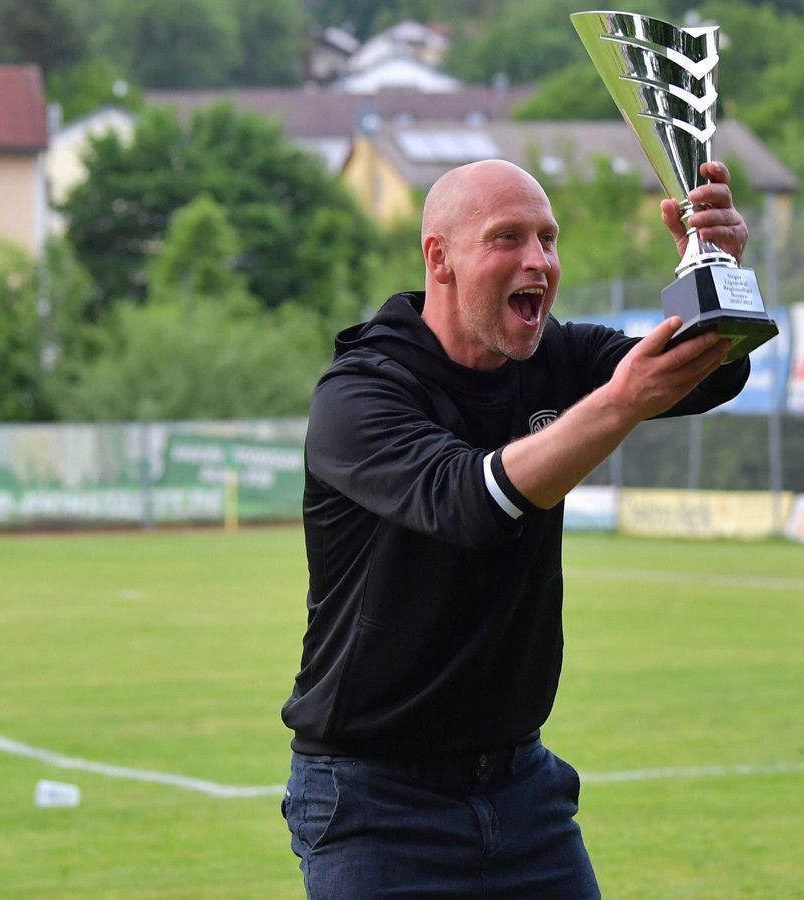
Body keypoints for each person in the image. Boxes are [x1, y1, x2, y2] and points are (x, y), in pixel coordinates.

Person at [281, 158, 753, 897]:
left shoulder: (555, 357)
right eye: (507, 238)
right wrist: (616, 406)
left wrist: (713, 271)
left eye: (548, 239)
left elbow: (711, 372)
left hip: (522, 789)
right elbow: (468, 504)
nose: (537, 259)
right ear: (440, 258)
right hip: (372, 799)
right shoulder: (361, 393)